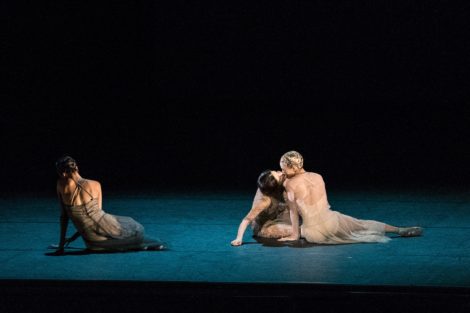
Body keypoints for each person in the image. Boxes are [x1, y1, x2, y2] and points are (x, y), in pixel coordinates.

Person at [264, 151, 423, 244]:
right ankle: (398, 229)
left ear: (292, 167)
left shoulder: (290, 184)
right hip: (331, 222)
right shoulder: (318, 176)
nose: (283, 172)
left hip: (314, 234)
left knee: (288, 228)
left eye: (284, 168)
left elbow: (293, 212)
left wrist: (294, 235)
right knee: (360, 224)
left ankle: (396, 230)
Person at [50, 155, 164, 255]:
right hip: (104, 226)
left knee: (121, 238)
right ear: (77, 168)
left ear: (63, 173)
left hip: (92, 241)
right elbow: (97, 218)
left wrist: (61, 246)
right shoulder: (95, 184)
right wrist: (72, 238)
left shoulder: (61, 185)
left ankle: (135, 244)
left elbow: (64, 217)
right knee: (134, 230)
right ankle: (139, 244)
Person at [231, 170, 292, 246]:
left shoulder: (266, 183)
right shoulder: (265, 201)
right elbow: (247, 220)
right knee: (297, 231)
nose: (281, 173)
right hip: (264, 227)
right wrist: (239, 238)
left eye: (276, 171)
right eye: (279, 176)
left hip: (276, 214)